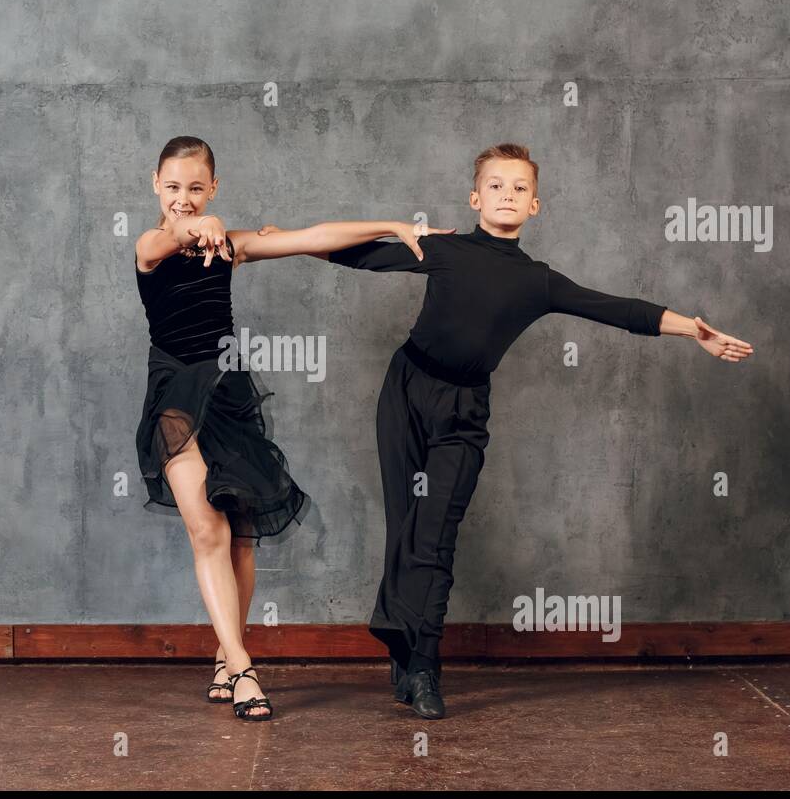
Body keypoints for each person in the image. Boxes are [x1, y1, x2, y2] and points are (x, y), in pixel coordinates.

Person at [324, 142, 755, 718]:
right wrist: (270, 243)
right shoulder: (443, 249)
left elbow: (616, 308)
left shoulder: (538, 282)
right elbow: (354, 255)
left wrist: (691, 330)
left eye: (520, 188)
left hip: (463, 411)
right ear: (475, 197)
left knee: (435, 537)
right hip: (405, 392)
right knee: (404, 524)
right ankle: (404, 660)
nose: (507, 195)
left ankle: (425, 668)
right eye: (496, 186)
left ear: (536, 206)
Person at [134, 135, 451, 721]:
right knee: (208, 532)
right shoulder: (149, 244)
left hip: (227, 392)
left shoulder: (229, 247)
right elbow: (170, 236)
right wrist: (203, 223)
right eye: (173, 187)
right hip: (175, 395)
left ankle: (226, 659)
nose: (184, 198)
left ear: (214, 186)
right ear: (156, 184)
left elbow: (312, 236)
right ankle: (243, 666)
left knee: (243, 537)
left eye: (197, 189)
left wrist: (393, 226)